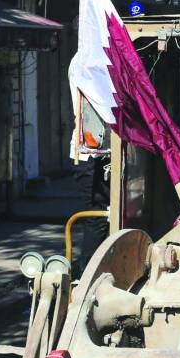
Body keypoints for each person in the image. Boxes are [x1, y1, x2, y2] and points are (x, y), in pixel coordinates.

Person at [74, 98, 111, 276]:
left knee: (103, 218)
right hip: (92, 158)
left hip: (100, 156)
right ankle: (86, 275)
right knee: (97, 219)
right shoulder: (85, 70)